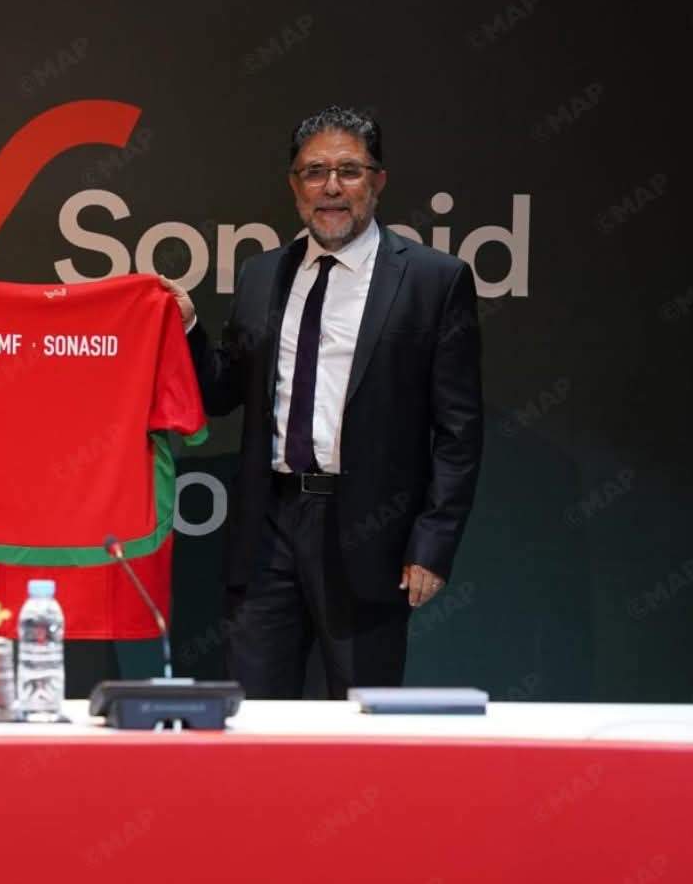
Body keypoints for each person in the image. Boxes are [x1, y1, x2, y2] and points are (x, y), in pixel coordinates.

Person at [164, 106, 482, 698]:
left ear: (377, 181)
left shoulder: (433, 281)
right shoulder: (261, 275)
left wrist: (433, 543)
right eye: (314, 172)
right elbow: (222, 391)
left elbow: (458, 431)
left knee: (360, 716)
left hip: (369, 533)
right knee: (255, 716)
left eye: (349, 171)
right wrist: (187, 330)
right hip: (267, 529)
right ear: (294, 186)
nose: (331, 187)